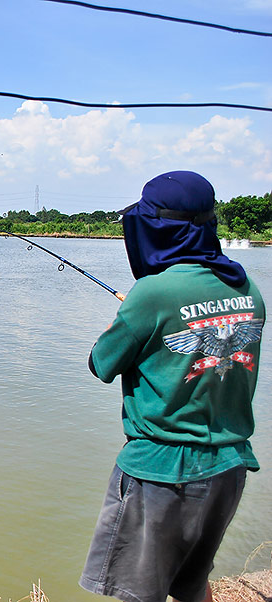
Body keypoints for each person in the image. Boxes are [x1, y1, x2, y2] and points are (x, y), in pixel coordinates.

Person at [79, 171, 266, 602]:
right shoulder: (247, 288)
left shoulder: (153, 292)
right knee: (191, 585)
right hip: (228, 466)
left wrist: (130, 316)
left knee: (137, 592)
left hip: (162, 471)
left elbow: (100, 363)